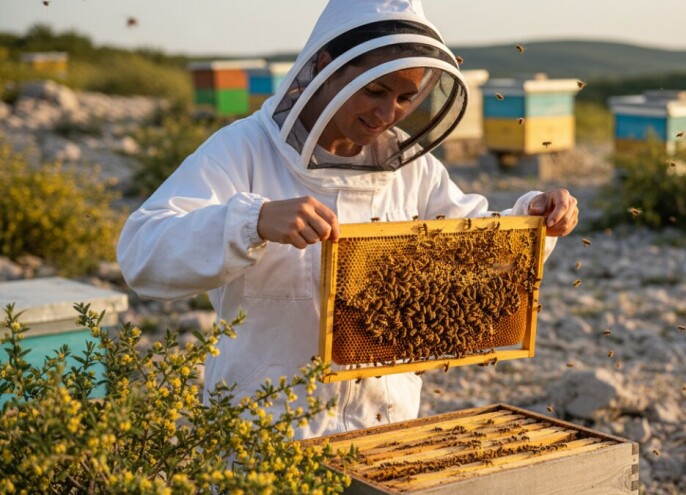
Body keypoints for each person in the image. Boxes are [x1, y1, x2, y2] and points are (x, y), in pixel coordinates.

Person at [117, 0, 578, 439]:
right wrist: (251, 222)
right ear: (324, 69)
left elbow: (477, 246)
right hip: (266, 429)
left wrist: (534, 219)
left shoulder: (410, 167)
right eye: (374, 90)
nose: (386, 113)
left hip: (381, 426)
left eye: (403, 98)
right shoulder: (244, 150)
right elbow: (142, 252)